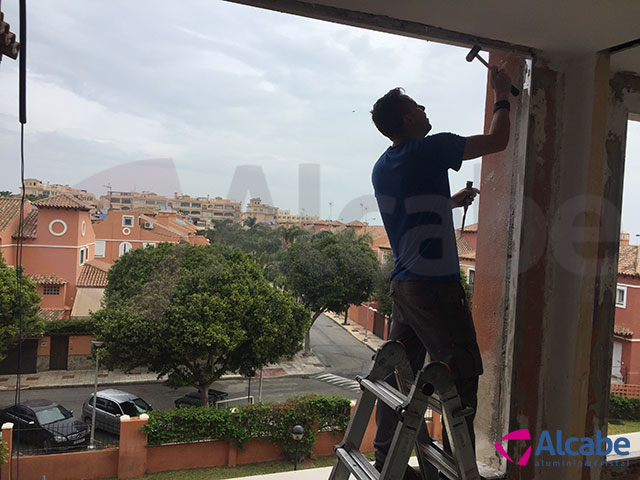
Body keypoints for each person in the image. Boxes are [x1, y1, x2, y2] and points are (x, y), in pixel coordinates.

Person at [370, 67, 513, 478]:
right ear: (408, 119)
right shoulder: (432, 149)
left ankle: (384, 460)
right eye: (417, 104)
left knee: (397, 376)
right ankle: (454, 467)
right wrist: (502, 95)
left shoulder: (384, 166)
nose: (425, 107)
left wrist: (449, 203)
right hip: (435, 288)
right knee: (461, 374)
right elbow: (498, 140)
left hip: (405, 287)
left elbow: (411, 210)